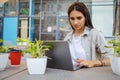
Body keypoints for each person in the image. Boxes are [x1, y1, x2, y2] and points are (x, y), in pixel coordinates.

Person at [64, 2, 112, 69]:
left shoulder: (95, 34)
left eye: (79, 18)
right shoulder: (68, 37)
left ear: (85, 17)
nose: (75, 22)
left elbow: (112, 59)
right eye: (72, 18)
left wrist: (93, 63)